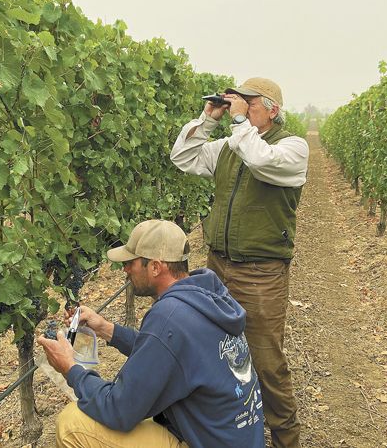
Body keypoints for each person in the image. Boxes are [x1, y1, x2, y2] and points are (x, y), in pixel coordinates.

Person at [38, 219, 265, 448]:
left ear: (156, 267)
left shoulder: (169, 316)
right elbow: (168, 353)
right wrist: (106, 329)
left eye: (131, 263)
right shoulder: (206, 295)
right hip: (232, 438)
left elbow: (118, 409)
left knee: (71, 424)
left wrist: (70, 368)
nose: (125, 269)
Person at [170, 77, 309, 447]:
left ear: (272, 110)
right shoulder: (232, 145)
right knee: (210, 350)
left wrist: (237, 123)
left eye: (249, 102)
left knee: (266, 363)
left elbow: (260, 160)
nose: (241, 107)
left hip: (261, 274)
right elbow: (183, 157)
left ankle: (285, 439)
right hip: (217, 267)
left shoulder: (292, 148)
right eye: (238, 101)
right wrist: (209, 117)